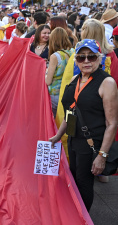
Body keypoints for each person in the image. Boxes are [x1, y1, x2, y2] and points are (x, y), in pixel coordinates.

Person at [49, 39, 118, 211]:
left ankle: (83, 218)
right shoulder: (75, 79)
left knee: (83, 183)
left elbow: (112, 123)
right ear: (76, 60)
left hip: (92, 143)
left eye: (91, 57)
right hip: (74, 139)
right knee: (74, 179)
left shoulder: (107, 83)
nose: (86, 61)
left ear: (99, 58)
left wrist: (102, 155)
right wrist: (58, 136)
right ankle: (75, 216)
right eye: (81, 57)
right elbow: (70, 112)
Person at [45, 28, 73, 116]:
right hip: (69, 91)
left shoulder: (55, 56)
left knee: (55, 122)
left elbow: (48, 81)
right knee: (66, 118)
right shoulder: (72, 51)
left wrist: (45, 73)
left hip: (55, 94)